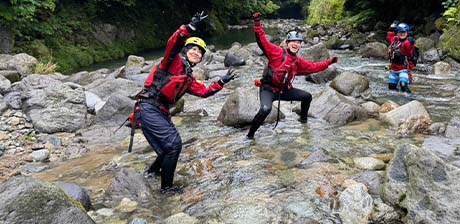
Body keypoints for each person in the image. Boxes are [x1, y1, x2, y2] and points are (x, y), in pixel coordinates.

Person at [136, 12, 236, 193]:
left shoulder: (188, 77)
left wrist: (221, 82)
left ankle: (152, 172)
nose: (196, 52)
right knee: (174, 145)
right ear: (186, 49)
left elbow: (204, 92)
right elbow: (173, 43)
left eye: (200, 52)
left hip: (159, 111)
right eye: (193, 49)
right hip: (148, 107)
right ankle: (166, 190)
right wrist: (189, 28)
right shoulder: (172, 61)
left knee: (169, 147)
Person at [247, 12, 338, 139]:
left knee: (307, 97)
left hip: (284, 91)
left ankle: (303, 121)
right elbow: (262, 41)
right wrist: (257, 23)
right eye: (293, 41)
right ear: (287, 43)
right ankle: (250, 136)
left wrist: (329, 62)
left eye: (299, 42)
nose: (296, 44)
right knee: (265, 110)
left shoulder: (297, 61)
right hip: (268, 89)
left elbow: (313, 67)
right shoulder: (276, 52)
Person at [387, 21, 419, 94]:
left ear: (407, 33)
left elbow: (410, 45)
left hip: (403, 69)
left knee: (403, 85)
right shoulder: (395, 39)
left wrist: (411, 41)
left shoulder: (407, 43)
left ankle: (410, 98)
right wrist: (391, 28)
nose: (402, 34)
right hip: (393, 69)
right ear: (397, 33)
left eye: (404, 32)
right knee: (391, 87)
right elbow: (390, 36)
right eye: (400, 32)